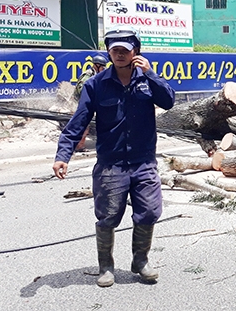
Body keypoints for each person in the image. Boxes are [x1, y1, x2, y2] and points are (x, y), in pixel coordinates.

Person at [52, 27, 175, 288]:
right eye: (114, 49)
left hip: (144, 161)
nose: (119, 54)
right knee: (108, 216)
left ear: (136, 52)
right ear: (108, 52)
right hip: (111, 164)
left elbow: (168, 101)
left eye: (125, 50)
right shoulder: (96, 85)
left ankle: (140, 261)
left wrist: (151, 74)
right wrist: (64, 154)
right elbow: (79, 120)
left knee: (150, 212)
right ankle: (106, 266)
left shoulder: (147, 80)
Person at [73, 54, 108, 151]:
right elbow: (82, 91)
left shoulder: (95, 75)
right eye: (102, 67)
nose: (104, 69)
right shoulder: (88, 76)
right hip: (81, 103)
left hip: (90, 103)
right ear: (97, 65)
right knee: (84, 125)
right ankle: (79, 146)